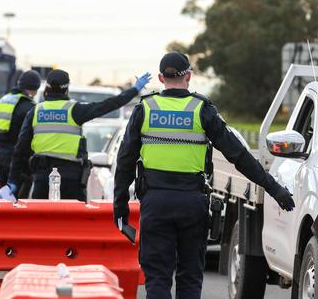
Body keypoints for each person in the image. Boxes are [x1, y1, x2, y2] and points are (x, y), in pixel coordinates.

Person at [112, 52, 295, 299]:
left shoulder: (145, 108)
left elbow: (124, 161)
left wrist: (120, 207)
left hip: (155, 204)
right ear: (188, 76)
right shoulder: (202, 110)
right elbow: (238, 156)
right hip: (191, 204)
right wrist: (275, 189)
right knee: (189, 277)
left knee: (157, 277)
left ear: (160, 78)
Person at [7, 69, 151, 201]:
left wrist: (13, 181)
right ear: (66, 88)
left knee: (42, 223)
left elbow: (20, 150)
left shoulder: (35, 112)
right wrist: (134, 90)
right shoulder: (74, 110)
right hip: (71, 180)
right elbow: (108, 105)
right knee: (72, 224)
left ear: (47, 88)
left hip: (42, 178)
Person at [0, 70, 41, 196]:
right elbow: (28, 139)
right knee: (18, 203)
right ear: (35, 88)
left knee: (4, 199)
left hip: (1, 159)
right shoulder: (29, 107)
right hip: (19, 164)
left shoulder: (3, 100)